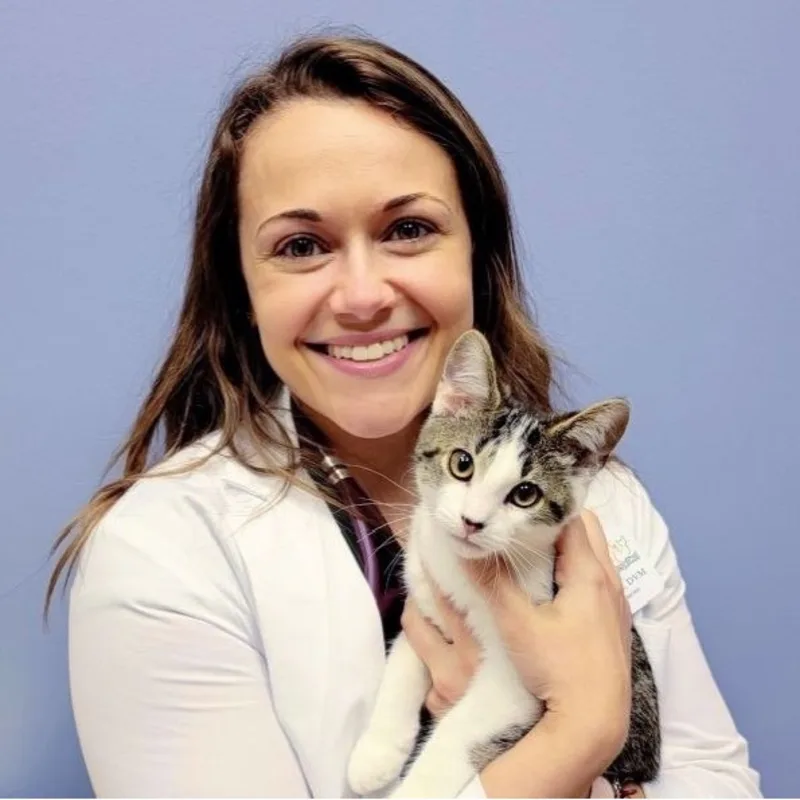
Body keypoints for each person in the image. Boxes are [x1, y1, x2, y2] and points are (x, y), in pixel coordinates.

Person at [48, 34, 760, 798]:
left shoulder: (605, 500)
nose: (361, 296)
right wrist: (579, 735)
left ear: (475, 259)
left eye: (409, 229)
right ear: (243, 292)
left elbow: (718, 779)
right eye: (300, 244)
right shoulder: (162, 550)